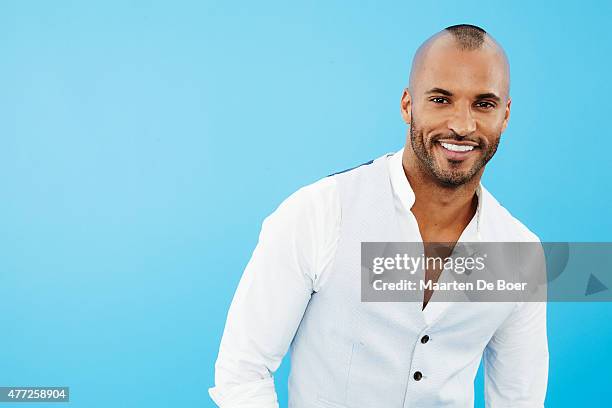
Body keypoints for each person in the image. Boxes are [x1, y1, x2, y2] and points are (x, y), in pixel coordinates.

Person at [209, 24, 548, 407]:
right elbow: (242, 374)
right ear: (407, 105)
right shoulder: (320, 214)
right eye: (440, 99)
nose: (462, 124)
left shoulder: (520, 255)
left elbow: (520, 398)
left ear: (505, 115)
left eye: (483, 104)